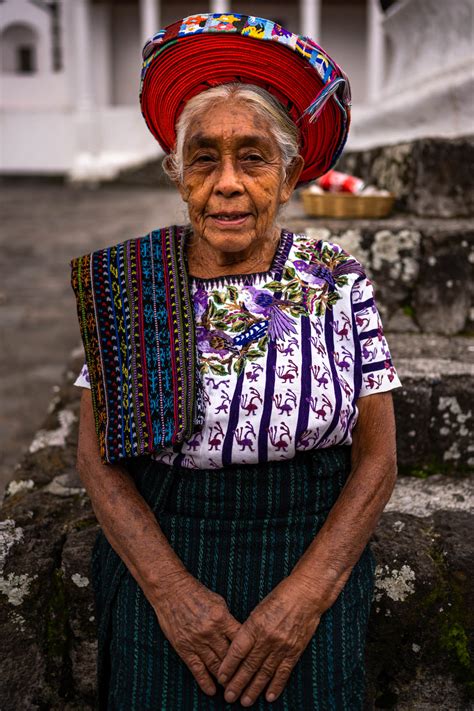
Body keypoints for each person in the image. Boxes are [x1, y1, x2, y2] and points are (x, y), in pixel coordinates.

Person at [71, 12, 402, 710]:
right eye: (203, 159)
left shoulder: (336, 276)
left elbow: (377, 459)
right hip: (167, 546)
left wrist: (307, 597)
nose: (226, 183)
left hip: (306, 544)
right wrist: (169, 592)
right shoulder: (132, 283)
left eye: (252, 157)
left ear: (286, 177)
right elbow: (96, 458)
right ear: (178, 176)